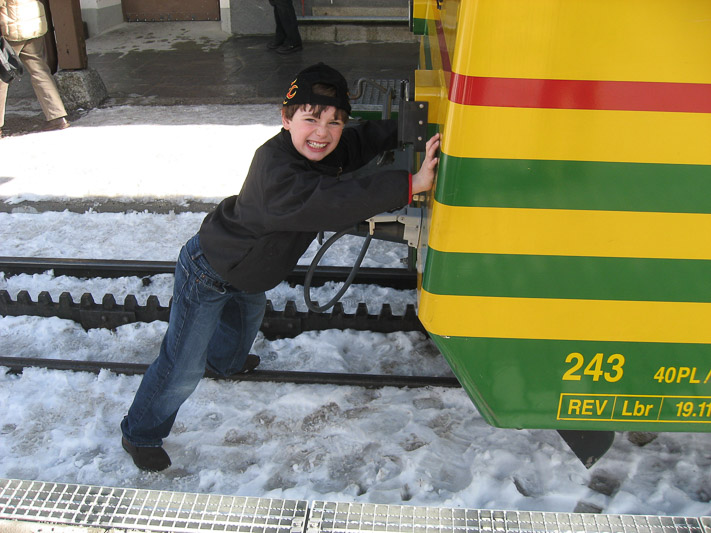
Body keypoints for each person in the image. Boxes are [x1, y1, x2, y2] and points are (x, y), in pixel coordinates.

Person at [120, 62, 441, 472]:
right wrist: (408, 184)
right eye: (310, 119)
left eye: (334, 122)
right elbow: (331, 200)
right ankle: (139, 432)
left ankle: (228, 363)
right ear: (286, 119)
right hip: (210, 271)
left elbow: (356, 144)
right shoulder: (274, 168)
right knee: (182, 366)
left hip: (251, 273)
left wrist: (400, 129)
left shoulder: (322, 147)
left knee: (243, 326)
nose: (322, 133)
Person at [0, 0, 69, 137]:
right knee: (40, 71)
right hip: (33, 26)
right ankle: (57, 116)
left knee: (1, 76)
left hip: (12, 29)